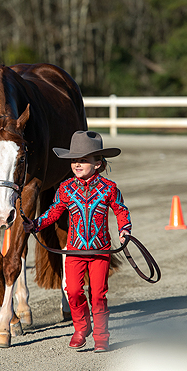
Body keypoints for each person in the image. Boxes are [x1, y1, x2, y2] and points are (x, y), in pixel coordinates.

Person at [23, 130, 131, 353]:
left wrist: (125, 230)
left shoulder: (110, 188)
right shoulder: (65, 189)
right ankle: (82, 328)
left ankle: (102, 336)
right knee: (72, 291)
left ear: (98, 163)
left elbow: (121, 210)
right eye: (74, 160)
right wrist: (35, 224)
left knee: (99, 295)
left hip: (100, 251)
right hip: (73, 251)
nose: (77, 164)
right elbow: (53, 213)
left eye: (83, 160)